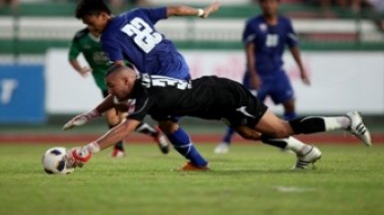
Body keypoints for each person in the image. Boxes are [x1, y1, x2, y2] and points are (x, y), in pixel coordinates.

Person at [64, 66, 372, 171]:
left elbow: (126, 128)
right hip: (215, 99)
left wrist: (88, 150)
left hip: (226, 97)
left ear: (127, 80)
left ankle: (346, 121)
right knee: (251, 135)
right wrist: (92, 113)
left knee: (283, 127)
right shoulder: (138, 82)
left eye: (112, 84)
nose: (110, 90)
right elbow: (116, 98)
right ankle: (305, 152)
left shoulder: (145, 93)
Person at [69, 0, 221, 171]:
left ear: (103, 15)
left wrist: (95, 112)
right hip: (179, 66)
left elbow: (120, 74)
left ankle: (88, 151)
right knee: (166, 123)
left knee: (137, 119)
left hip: (161, 80)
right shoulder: (137, 13)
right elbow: (176, 10)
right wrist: (202, 12)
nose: (91, 29)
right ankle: (198, 163)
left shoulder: (109, 38)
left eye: (91, 23)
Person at [214, 0, 310, 154]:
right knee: (241, 110)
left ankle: (288, 141)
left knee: (290, 103)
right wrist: (253, 74)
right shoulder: (253, 24)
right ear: (261, 5)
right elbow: (249, 51)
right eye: (265, 2)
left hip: (277, 73)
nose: (269, 5)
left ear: (277, 4)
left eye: (272, 2)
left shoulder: (285, 23)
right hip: (258, 74)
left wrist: (302, 69)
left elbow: (293, 46)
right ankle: (226, 142)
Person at [68, 26, 170, 157]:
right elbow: (72, 56)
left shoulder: (114, 34)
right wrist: (80, 69)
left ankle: (120, 150)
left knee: (116, 116)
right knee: (119, 118)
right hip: (105, 83)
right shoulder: (81, 38)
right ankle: (154, 134)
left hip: (121, 83)